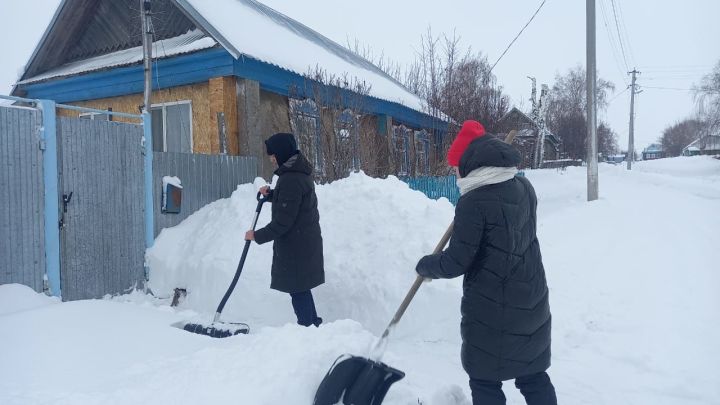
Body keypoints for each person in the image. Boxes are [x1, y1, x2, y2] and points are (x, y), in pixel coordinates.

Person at [415, 120, 557, 405]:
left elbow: (457, 261)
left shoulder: (474, 202)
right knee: (532, 374)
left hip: (492, 308)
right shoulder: (524, 186)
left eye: (457, 167)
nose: (455, 173)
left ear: (470, 164)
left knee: (484, 380)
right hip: (531, 298)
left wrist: (426, 265)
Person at [245, 132, 324, 327]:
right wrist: (272, 194)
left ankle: (307, 327)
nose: (271, 159)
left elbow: (283, 222)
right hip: (303, 241)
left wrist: (256, 236)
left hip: (297, 245)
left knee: (298, 289)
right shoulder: (296, 173)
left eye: (273, 155)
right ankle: (313, 325)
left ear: (281, 153)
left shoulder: (290, 179)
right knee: (301, 288)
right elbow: (291, 200)